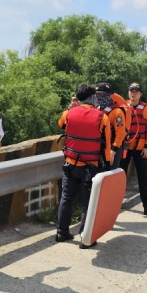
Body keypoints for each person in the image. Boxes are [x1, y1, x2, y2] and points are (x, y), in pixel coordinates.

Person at [56, 84, 112, 247]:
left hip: (70, 164)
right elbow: (106, 146)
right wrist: (107, 166)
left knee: (66, 198)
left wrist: (71, 107)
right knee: (88, 203)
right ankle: (85, 238)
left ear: (78, 98)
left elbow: (61, 125)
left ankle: (62, 232)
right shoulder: (102, 117)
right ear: (93, 97)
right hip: (90, 167)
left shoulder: (68, 113)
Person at [121, 83, 147, 216]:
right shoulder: (123, 107)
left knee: (143, 177)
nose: (133, 93)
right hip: (125, 148)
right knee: (119, 176)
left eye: (136, 91)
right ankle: (116, 202)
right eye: (131, 91)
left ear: (140, 94)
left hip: (140, 148)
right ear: (128, 93)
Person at [95, 81, 126, 170]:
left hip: (112, 149)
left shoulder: (117, 112)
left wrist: (113, 152)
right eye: (97, 95)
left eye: (102, 95)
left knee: (110, 177)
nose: (99, 97)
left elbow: (120, 134)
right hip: (99, 149)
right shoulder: (97, 110)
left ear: (110, 96)